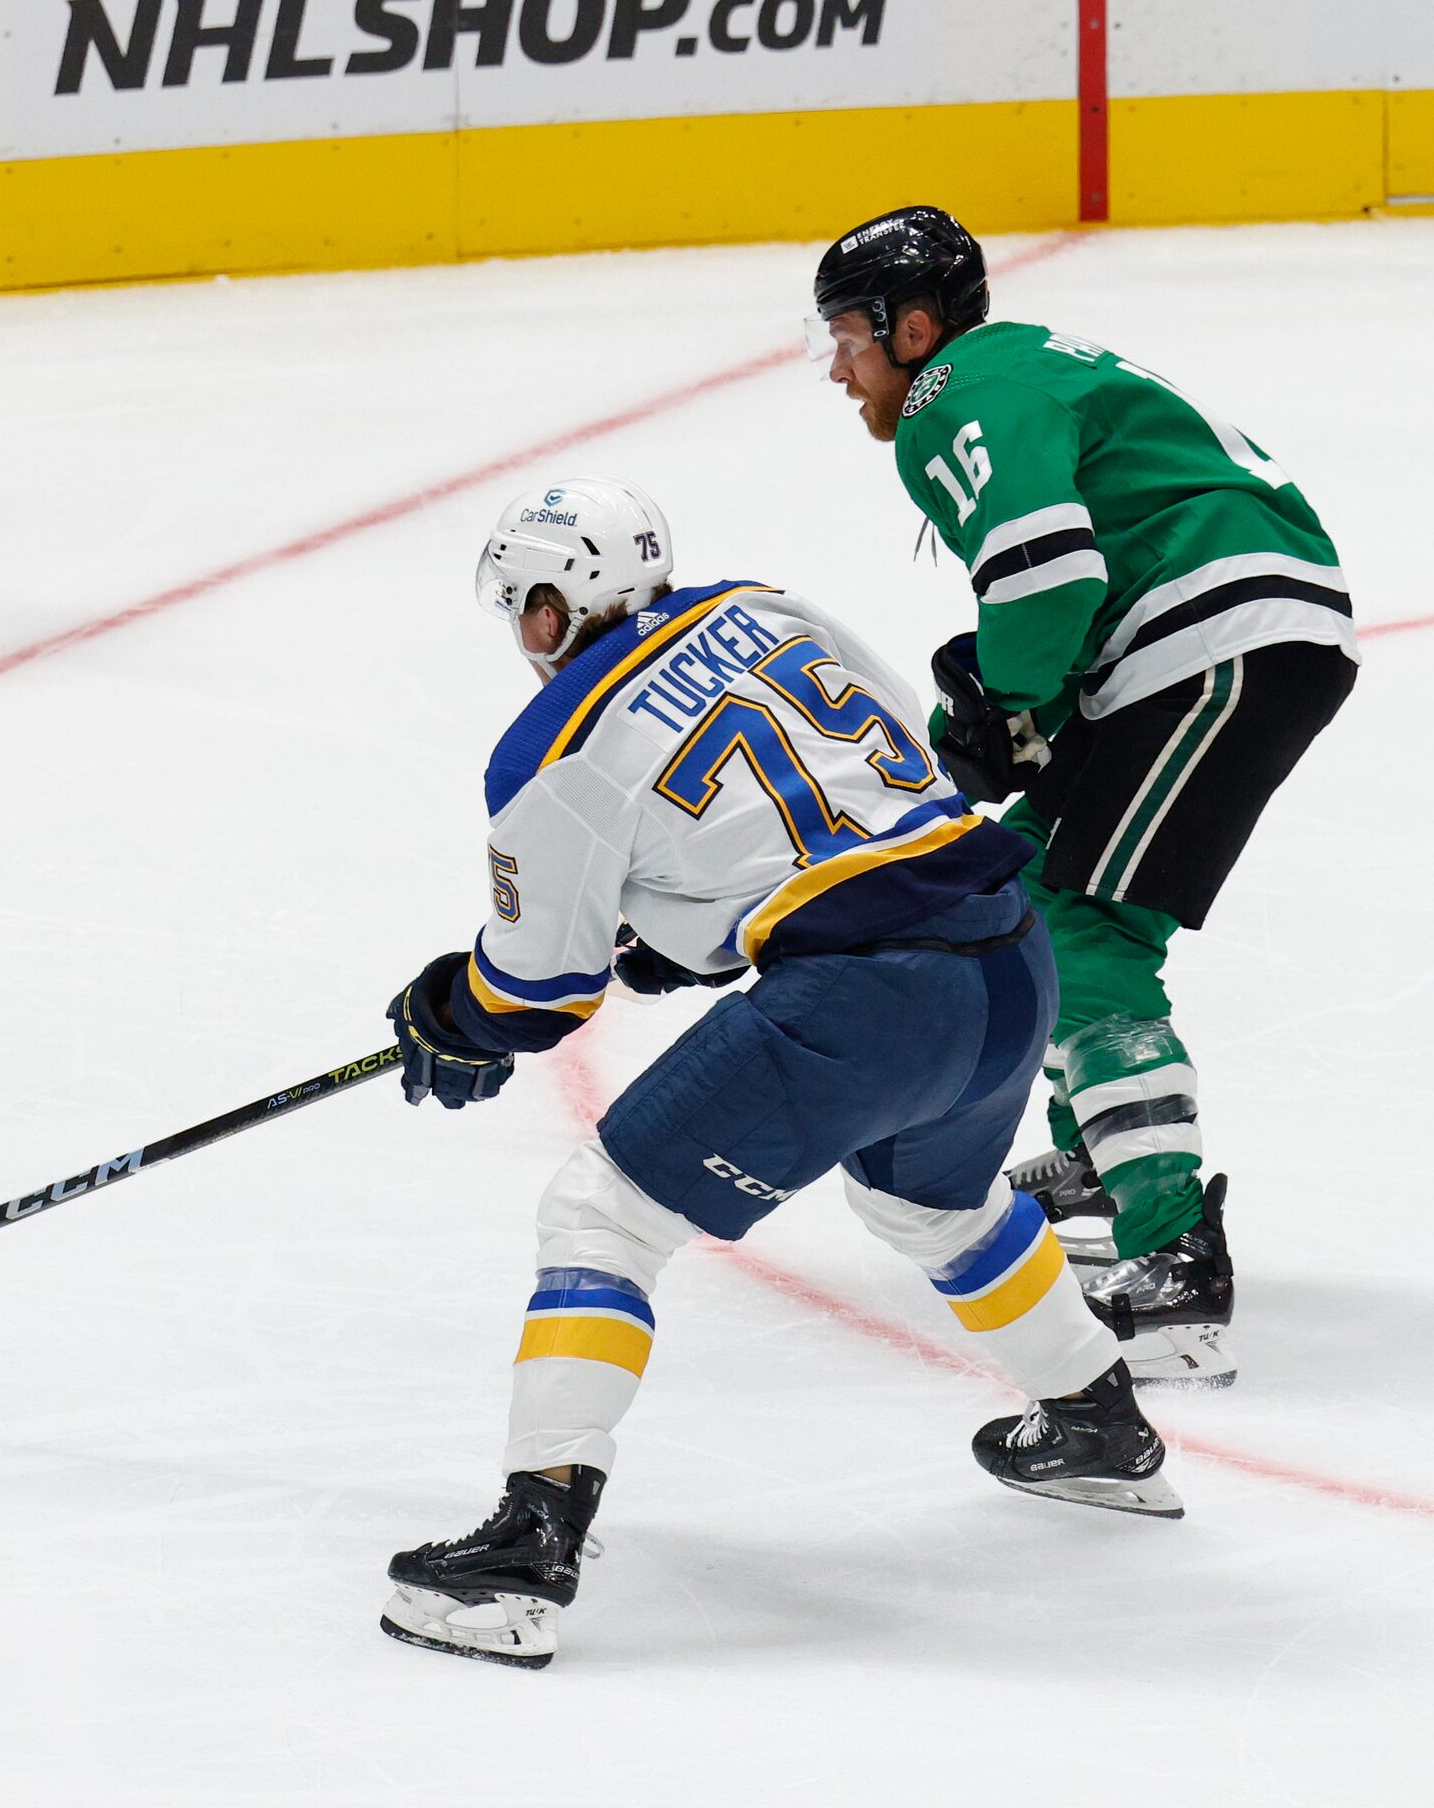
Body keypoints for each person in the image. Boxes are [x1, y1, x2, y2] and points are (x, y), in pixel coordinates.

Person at [375, 477, 1173, 1672]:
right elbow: (883, 779)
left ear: (559, 600)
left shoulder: (551, 749)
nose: (524, 639)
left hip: (868, 997)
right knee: (930, 1204)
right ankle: (1097, 1417)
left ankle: (527, 1549)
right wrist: (700, 925)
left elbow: (534, 993)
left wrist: (451, 1012)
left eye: (526, 609)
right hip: (1007, 951)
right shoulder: (769, 608)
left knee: (599, 1216)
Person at [813, 207, 1360, 1388]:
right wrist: (1022, 717)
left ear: (912, 330)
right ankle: (1101, 1157)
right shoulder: (1021, 364)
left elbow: (1048, 571)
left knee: (1082, 923)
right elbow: (1086, 563)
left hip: (1213, 637)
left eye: (848, 335)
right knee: (1031, 885)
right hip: (1220, 631)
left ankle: (1170, 1254)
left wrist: (1000, 699)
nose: (837, 364)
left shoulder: (947, 393)